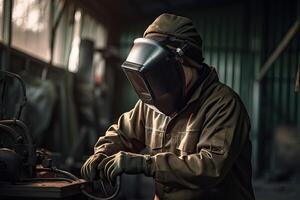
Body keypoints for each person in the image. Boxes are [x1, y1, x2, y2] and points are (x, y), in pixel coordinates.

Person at [81, 13, 255, 200]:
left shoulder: (223, 104)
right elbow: (123, 134)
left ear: (188, 62)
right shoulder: (153, 102)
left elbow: (210, 168)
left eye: (162, 74)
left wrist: (146, 163)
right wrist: (102, 153)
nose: (159, 85)